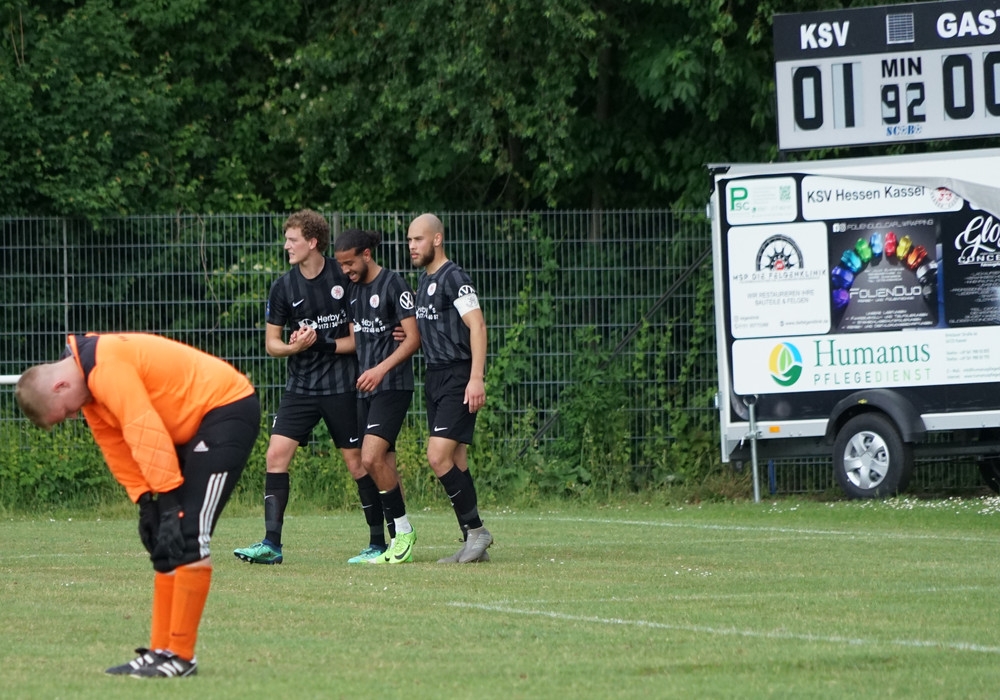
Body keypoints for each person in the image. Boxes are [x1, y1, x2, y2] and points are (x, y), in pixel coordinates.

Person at [15, 333, 260, 678]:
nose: (71, 417)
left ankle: (181, 657)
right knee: (164, 544)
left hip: (225, 409)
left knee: (190, 534)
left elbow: (142, 426)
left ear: (59, 386)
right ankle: (160, 651)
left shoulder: (106, 366)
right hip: (188, 428)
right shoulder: (89, 389)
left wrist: (169, 501)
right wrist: (146, 503)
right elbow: (117, 445)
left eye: (66, 412)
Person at [233, 209, 393, 566]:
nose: (286, 246)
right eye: (286, 240)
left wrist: (319, 341)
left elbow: (358, 339)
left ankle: (378, 543)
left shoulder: (343, 276)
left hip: (342, 386)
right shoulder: (283, 287)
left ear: (312, 242)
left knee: (357, 464)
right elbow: (272, 344)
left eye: (292, 240)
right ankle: (271, 545)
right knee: (275, 455)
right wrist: (295, 348)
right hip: (301, 388)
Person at [407, 213, 493, 563]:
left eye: (418, 239)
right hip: (435, 376)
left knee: (437, 456)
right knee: (455, 458)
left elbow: (477, 326)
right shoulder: (423, 280)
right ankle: (473, 540)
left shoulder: (454, 277)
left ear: (437, 239)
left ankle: (478, 531)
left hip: (459, 375)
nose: (412, 246)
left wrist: (476, 377)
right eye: (410, 240)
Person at [333, 228, 422, 564]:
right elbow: (357, 339)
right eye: (341, 265)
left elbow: (413, 338)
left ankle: (405, 532)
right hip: (367, 388)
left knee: (370, 458)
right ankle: (395, 542)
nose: (346, 270)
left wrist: (380, 369)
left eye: (350, 263)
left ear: (366, 255)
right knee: (382, 464)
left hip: (392, 385)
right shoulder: (353, 291)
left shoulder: (393, 283)